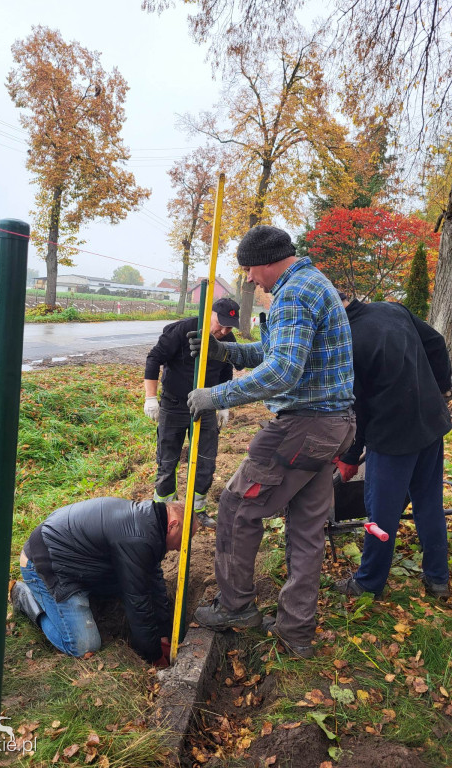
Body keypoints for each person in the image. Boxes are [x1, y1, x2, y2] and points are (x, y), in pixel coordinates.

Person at [187, 225, 356, 658]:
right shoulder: (311, 282)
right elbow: (275, 350)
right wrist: (228, 353)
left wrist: (214, 396)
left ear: (263, 261)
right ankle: (296, 630)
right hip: (332, 427)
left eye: (248, 269)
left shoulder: (294, 293)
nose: (248, 279)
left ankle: (235, 606)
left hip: (301, 427)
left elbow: (283, 372)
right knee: (306, 528)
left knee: (237, 508)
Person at [333, 297, 452, 600]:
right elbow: (436, 343)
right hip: (430, 423)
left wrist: (348, 457)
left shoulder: (348, 339)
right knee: (429, 503)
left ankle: (368, 583)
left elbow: (357, 407)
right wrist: (439, 390)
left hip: (391, 437)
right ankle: (438, 580)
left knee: (381, 515)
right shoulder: (391, 309)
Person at [10, 497, 198, 666]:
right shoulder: (137, 538)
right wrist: (153, 657)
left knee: (134, 584)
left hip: (76, 560)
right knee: (84, 647)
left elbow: (153, 580)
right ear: (173, 525)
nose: (182, 547)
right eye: (185, 538)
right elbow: (137, 603)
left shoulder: (149, 524)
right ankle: (27, 599)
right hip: (47, 563)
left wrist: (162, 634)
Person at [144, 297, 241, 526]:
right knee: (167, 462)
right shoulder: (184, 330)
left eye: (230, 327)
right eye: (221, 324)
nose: (224, 330)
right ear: (210, 315)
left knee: (206, 461)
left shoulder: (228, 338)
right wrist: (150, 398)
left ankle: (198, 511)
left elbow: (226, 372)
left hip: (206, 406)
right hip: (174, 404)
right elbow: (153, 358)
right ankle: (165, 512)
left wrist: (222, 405)